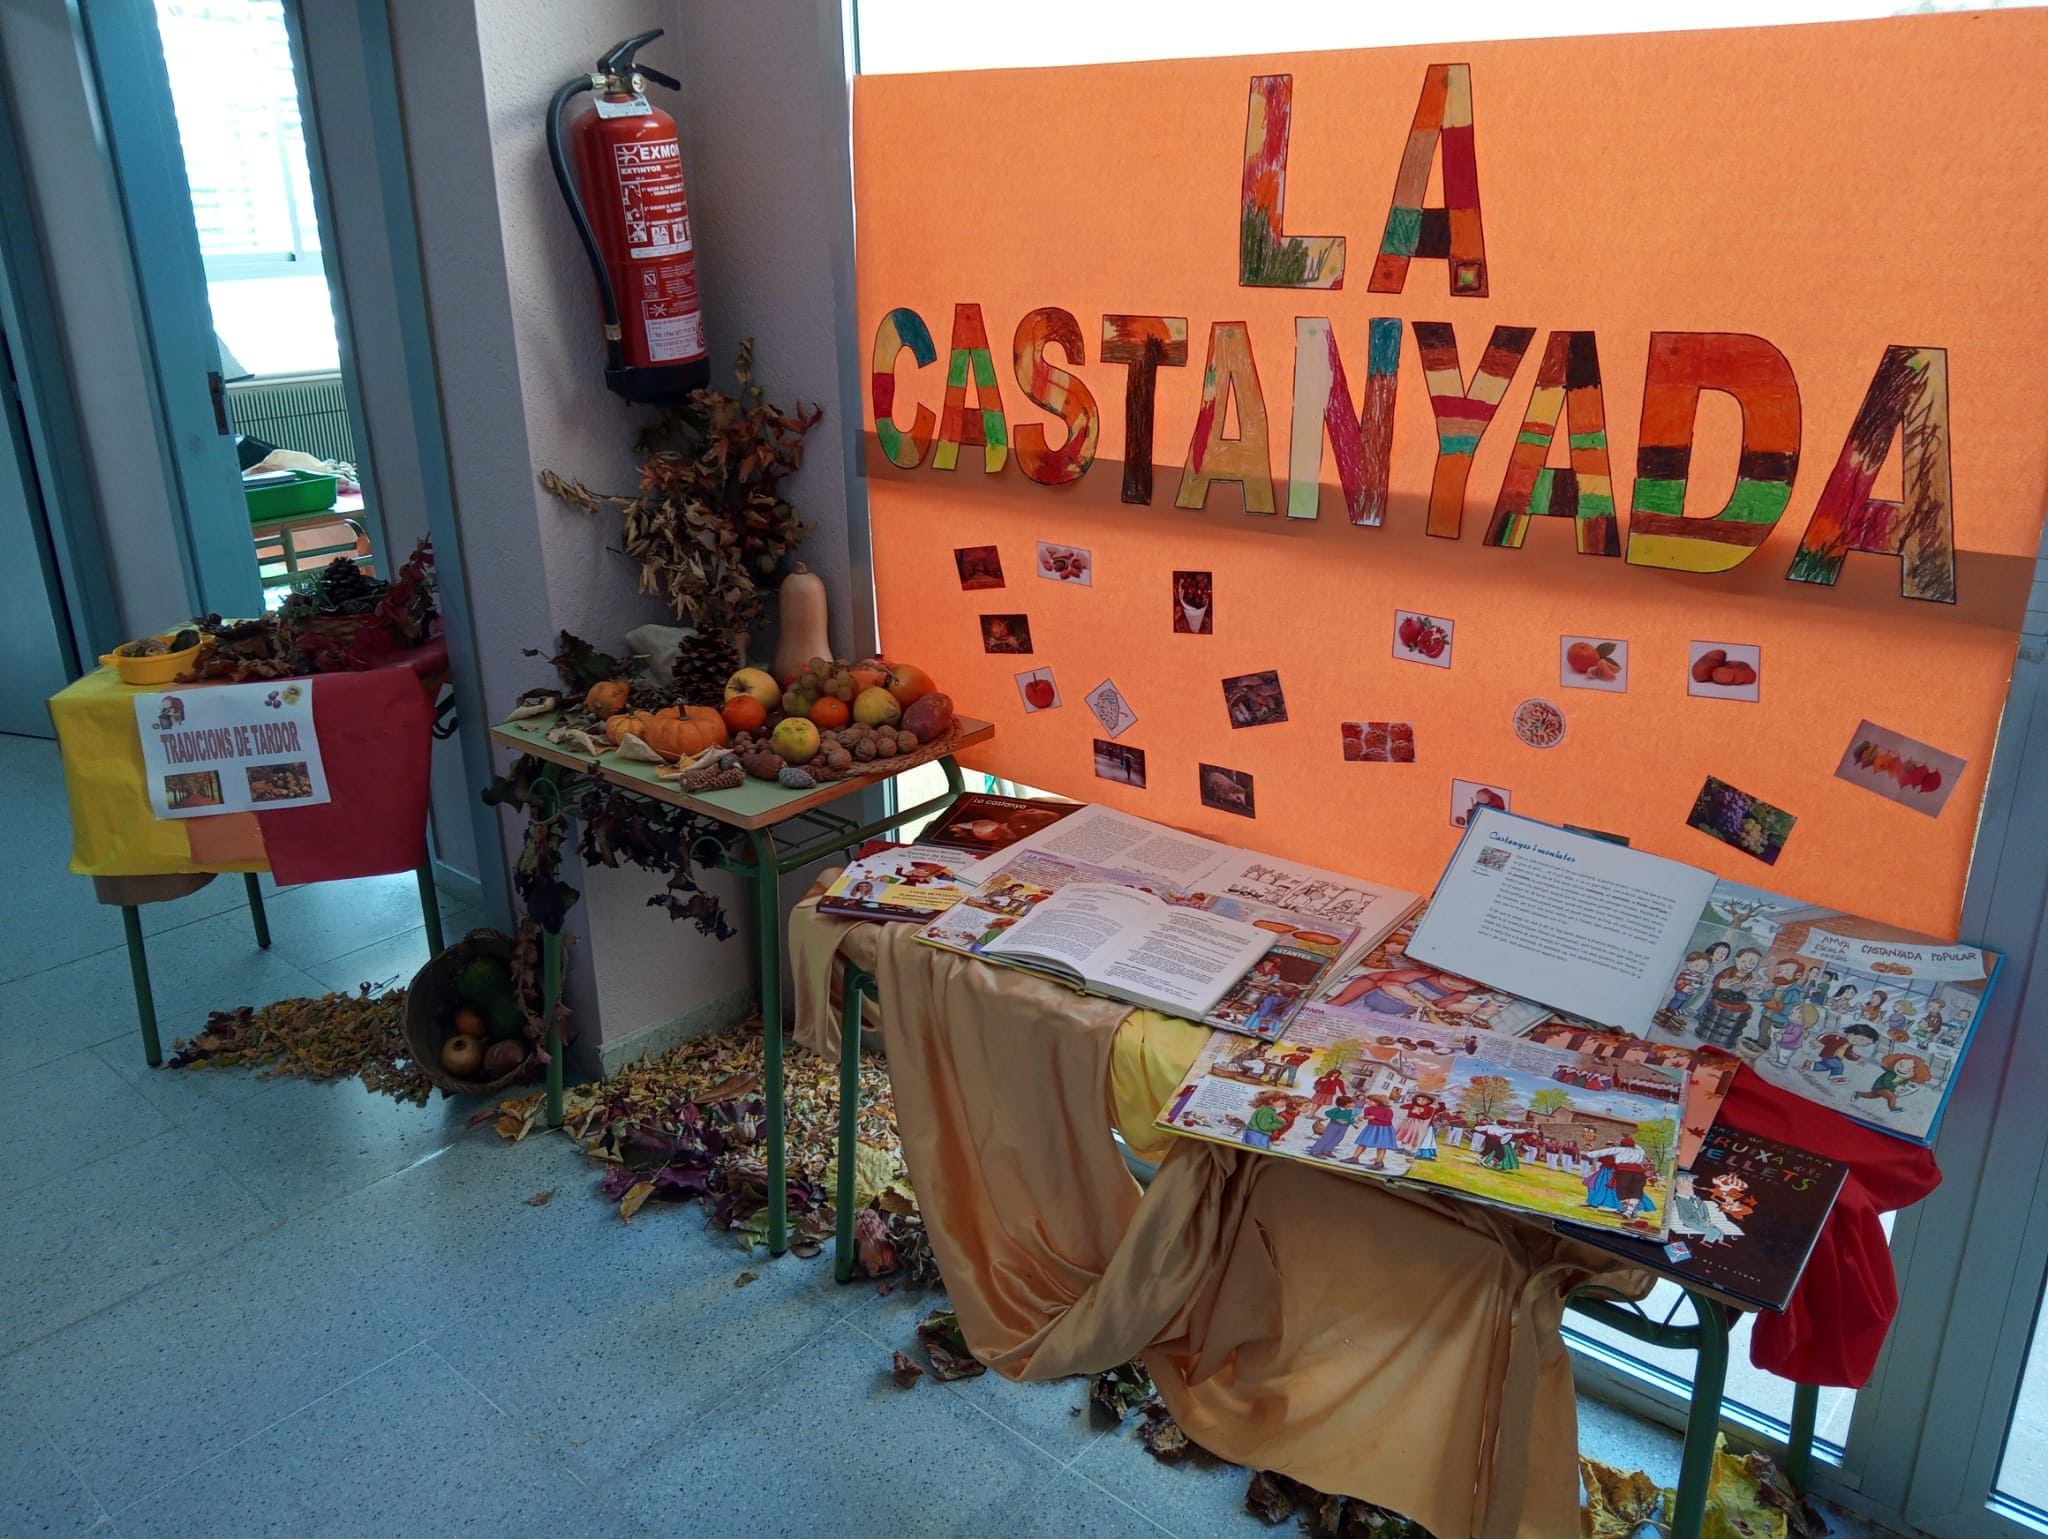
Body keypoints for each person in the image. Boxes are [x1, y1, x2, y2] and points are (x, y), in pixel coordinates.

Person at [1695, 947, 1764, 1048]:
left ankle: (1725, 1040)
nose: (1748, 965)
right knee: (1712, 1012)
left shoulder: (1748, 977)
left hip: (1734, 1001)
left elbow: (1744, 990)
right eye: (1744, 961)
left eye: (1753, 963)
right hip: (1720, 997)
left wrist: (1752, 989)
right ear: (1736, 960)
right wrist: (1724, 985)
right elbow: (1719, 981)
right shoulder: (1729, 971)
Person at [1750, 959, 1805, 1055]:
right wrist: (1762, 992)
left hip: (1779, 1020)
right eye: (1780, 971)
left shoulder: (1794, 992)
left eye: (1787, 971)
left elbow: (1794, 1008)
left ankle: (1764, 1048)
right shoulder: (1777, 986)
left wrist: (1780, 1007)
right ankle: (1760, 1042)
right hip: (1767, 1014)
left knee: (1771, 1033)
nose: (1781, 974)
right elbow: (1769, 997)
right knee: (1763, 1029)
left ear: (1797, 975)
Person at [1856, 1052, 1933, 1112]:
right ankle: (1893, 1108)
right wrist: (1896, 1087)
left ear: (1914, 1073)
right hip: (1881, 1087)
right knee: (1891, 1097)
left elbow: (1901, 1084)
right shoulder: (1890, 1074)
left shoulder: (1905, 1079)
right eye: (1901, 1065)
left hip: (1888, 1089)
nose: (1903, 1069)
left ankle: (1859, 1094)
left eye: (1909, 1069)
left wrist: (1902, 1089)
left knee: (1873, 1095)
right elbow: (1886, 1082)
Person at [1344, 1094, 1401, 1171]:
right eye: (1368, 1100)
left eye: (1371, 1101)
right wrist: (1364, 1117)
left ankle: (1379, 1162)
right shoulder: (1368, 1109)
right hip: (1371, 1128)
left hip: (1384, 1129)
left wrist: (1375, 1117)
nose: (1368, 1101)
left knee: (1382, 1145)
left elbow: (1388, 1120)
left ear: (1379, 1102)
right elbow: (1366, 1116)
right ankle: (1355, 1158)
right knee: (1363, 1142)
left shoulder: (1388, 1110)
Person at [1395, 1093, 1440, 1161]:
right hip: (1409, 1121)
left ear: (1428, 1101)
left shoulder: (1430, 1108)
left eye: (1423, 1100)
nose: (1420, 1101)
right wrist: (1412, 1106)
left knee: (1415, 1135)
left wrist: (1419, 1113)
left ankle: (1413, 1150)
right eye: (1418, 1099)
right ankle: (1403, 1147)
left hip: (1418, 1123)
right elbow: (1402, 1106)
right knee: (1406, 1133)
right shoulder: (1414, 1105)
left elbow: (1427, 1117)